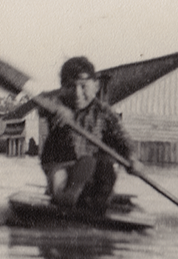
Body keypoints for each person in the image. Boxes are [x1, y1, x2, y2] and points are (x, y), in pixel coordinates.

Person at [39, 56, 141, 215]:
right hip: (61, 169)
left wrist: (132, 159)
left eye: (83, 86)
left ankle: (91, 201)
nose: (77, 93)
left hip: (91, 175)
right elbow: (42, 102)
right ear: (62, 88)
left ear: (96, 85)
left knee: (103, 165)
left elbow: (124, 140)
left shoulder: (105, 113)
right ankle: (66, 195)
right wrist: (58, 109)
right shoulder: (56, 105)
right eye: (70, 87)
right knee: (70, 171)